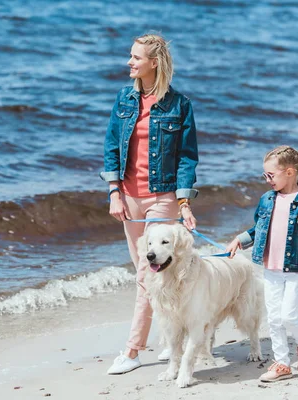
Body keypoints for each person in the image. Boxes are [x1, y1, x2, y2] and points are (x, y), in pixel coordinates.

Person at [100, 33, 199, 375]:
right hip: (129, 198)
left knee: (146, 274)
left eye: (136, 58)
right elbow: (112, 146)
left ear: (153, 63)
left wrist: (184, 202)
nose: (130, 62)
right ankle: (169, 339)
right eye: (130, 56)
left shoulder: (179, 105)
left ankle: (131, 350)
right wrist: (114, 192)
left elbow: (187, 158)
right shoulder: (123, 100)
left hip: (162, 197)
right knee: (151, 275)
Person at [226, 145, 298, 382]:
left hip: (297, 269)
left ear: (289, 172)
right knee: (273, 317)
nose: (267, 180)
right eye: (265, 175)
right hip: (271, 268)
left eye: (271, 175)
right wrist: (240, 241)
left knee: (289, 316)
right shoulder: (266, 200)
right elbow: (258, 229)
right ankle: (281, 363)